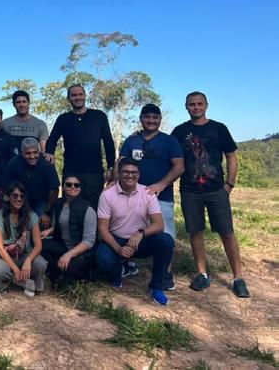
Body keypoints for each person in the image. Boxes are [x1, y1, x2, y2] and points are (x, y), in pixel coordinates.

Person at [171, 91, 249, 298]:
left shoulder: (219, 128)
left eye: (199, 104)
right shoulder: (179, 131)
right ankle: (202, 274)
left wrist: (229, 184)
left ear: (206, 105)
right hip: (190, 190)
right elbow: (167, 151)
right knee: (196, 231)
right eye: (192, 104)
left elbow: (231, 156)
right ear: (186, 107)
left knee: (227, 232)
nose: (196, 107)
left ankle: (238, 278)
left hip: (216, 190)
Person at [118, 103, 184, 285]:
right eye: (147, 117)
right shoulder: (132, 140)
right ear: (141, 119)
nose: (151, 120)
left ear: (160, 119)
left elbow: (179, 166)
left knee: (165, 235)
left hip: (161, 197)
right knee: (130, 230)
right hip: (132, 196)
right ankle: (129, 265)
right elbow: (121, 163)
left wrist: (161, 184)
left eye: (155, 117)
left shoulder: (169, 141)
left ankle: (165, 274)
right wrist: (113, 183)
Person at [95, 158, 174, 306]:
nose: (130, 175)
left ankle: (157, 286)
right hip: (116, 239)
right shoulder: (107, 195)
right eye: (126, 172)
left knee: (166, 241)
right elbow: (102, 228)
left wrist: (141, 233)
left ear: (139, 174)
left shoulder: (147, 193)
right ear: (119, 173)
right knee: (102, 257)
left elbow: (159, 225)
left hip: (139, 241)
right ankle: (117, 272)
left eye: (134, 172)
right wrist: (118, 248)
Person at [45, 85, 116, 209]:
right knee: (69, 209)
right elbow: (52, 139)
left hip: (94, 174)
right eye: (74, 95)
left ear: (85, 96)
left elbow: (108, 142)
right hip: (71, 171)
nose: (77, 97)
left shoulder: (99, 116)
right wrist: (49, 152)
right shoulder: (63, 119)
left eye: (80, 94)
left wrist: (111, 167)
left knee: (93, 209)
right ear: (68, 99)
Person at [0, 182, 48, 296]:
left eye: (22, 196)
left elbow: (38, 245)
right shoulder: (0, 216)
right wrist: (16, 269)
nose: (19, 199)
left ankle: (18, 282)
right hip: (5, 258)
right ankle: (19, 281)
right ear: (8, 197)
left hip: (24, 256)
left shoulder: (31, 216)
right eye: (15, 195)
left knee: (40, 264)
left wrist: (28, 261)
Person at [40, 175, 97, 282]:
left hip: (81, 251)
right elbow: (64, 223)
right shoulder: (58, 204)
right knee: (39, 245)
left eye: (76, 185)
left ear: (80, 188)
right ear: (63, 187)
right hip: (64, 245)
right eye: (69, 184)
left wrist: (68, 255)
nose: (72, 187)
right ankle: (55, 273)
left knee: (69, 270)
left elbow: (89, 241)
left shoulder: (88, 209)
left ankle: (78, 274)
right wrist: (50, 230)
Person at [3, 138, 60, 226]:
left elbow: (54, 190)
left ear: (39, 151)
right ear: (22, 153)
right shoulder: (13, 164)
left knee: (43, 223)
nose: (32, 156)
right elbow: (7, 186)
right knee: (15, 223)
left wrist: (47, 212)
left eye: (35, 152)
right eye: (28, 153)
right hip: (20, 199)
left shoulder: (47, 164)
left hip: (42, 201)